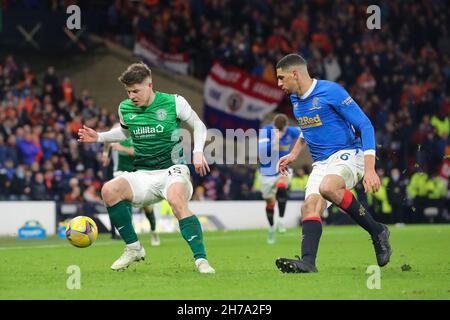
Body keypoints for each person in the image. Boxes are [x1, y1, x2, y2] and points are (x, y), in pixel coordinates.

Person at [78, 62, 215, 273]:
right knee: (108, 190)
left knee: (177, 201)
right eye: (128, 91)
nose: (132, 96)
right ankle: (134, 248)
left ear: (149, 85)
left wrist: (198, 152)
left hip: (173, 170)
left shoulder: (173, 102)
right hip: (143, 173)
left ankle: (201, 260)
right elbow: (125, 133)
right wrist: (99, 137)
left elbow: (198, 125)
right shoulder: (125, 108)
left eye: (136, 91)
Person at [274, 54, 392, 273]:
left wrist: (370, 169)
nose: (279, 84)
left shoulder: (331, 91)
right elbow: (306, 128)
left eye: (281, 78)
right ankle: (308, 263)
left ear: (295, 74)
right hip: (321, 163)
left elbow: (365, 125)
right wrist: (293, 154)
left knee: (328, 187)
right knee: (309, 207)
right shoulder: (295, 99)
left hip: (348, 154)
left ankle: (377, 232)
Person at [102, 133, 161, 246]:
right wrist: (105, 153)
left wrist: (121, 148)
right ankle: (131, 239)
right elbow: (106, 138)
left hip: (138, 172)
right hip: (120, 172)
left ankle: (153, 231)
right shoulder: (118, 128)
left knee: (147, 208)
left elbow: (139, 152)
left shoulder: (140, 131)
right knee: (123, 202)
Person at [258, 114, 301, 244]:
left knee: (282, 186)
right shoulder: (266, 131)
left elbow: (305, 132)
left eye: (283, 129)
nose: (282, 132)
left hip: (282, 168)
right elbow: (261, 151)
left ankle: (281, 221)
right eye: (279, 129)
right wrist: (275, 142)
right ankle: (271, 229)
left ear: (287, 126)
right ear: (273, 125)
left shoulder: (291, 131)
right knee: (270, 203)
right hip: (266, 172)